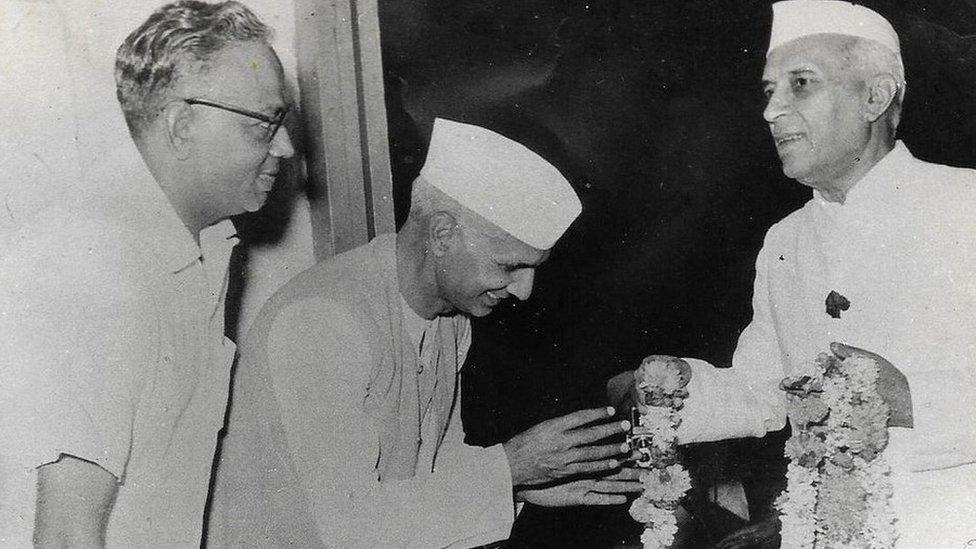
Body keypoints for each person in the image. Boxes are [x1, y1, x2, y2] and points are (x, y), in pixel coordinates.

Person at [610, 1, 976, 546]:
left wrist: (912, 402)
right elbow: (765, 392)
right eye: (768, 91)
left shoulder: (963, 205)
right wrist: (685, 389)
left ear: (875, 96)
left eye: (800, 84)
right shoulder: (785, 241)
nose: (771, 111)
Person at [208, 117, 640, 548]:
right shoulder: (322, 320)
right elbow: (349, 527)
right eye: (509, 266)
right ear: (443, 233)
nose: (524, 292)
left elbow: (427, 474)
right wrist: (508, 469)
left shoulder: (450, 322)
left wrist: (517, 488)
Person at [0, 1, 294, 546]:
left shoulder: (195, 247)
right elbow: (64, 534)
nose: (286, 147)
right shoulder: (93, 263)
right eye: (265, 124)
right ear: (182, 124)